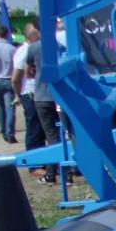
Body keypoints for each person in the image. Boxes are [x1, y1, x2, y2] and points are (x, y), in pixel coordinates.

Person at [24, 29, 74, 187]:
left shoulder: (33, 48)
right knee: (65, 133)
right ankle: (65, 172)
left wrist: (34, 72)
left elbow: (27, 71)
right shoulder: (58, 46)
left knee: (51, 136)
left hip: (42, 96)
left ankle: (54, 174)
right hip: (59, 95)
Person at [11, 22, 47, 170]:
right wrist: (18, 94)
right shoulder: (24, 51)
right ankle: (34, 166)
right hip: (29, 92)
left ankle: (44, 162)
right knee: (34, 129)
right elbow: (16, 77)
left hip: (37, 92)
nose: (39, 35)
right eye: (36, 33)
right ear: (30, 36)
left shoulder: (34, 49)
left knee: (41, 130)